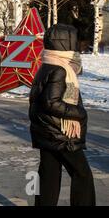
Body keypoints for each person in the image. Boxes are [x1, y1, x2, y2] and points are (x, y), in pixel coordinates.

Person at [29, 23, 95, 206]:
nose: (77, 48)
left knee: (48, 176)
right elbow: (51, 102)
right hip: (61, 133)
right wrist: (79, 113)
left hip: (47, 130)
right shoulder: (60, 69)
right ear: (66, 43)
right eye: (74, 42)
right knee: (82, 175)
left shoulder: (48, 64)